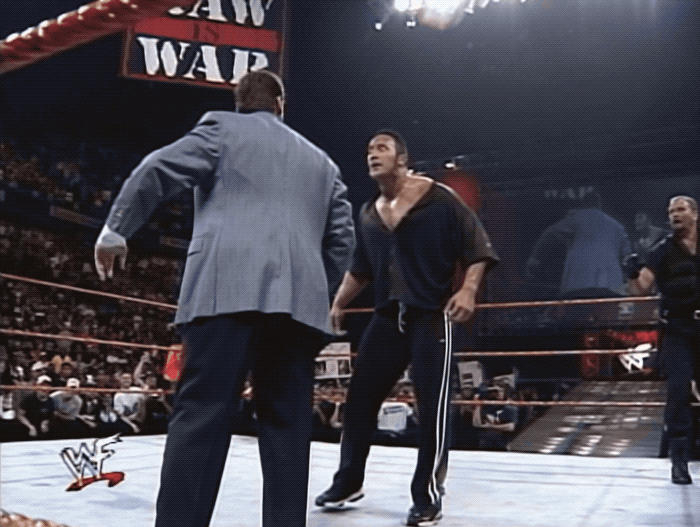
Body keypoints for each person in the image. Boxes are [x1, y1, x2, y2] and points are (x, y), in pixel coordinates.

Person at [93, 70, 355, 527]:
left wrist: (117, 228)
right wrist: (311, 288)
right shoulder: (323, 164)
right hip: (298, 309)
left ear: (240, 102)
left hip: (225, 293)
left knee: (202, 417)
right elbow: (342, 241)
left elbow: (157, 168)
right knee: (288, 428)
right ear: (280, 103)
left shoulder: (221, 129)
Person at [315, 130, 498, 526]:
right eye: (369, 149)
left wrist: (468, 290)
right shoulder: (369, 212)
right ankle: (348, 481)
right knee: (359, 401)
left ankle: (428, 495)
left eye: (381, 147)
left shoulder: (439, 198)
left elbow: (477, 247)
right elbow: (361, 268)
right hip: (387, 317)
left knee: (432, 408)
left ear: (402, 158)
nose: (372, 154)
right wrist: (339, 302)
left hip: (431, 314)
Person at [628, 195, 699, 485]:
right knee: (678, 391)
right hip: (679, 330)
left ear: (695, 214)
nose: (674, 215)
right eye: (671, 211)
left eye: (680, 209)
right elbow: (640, 289)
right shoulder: (661, 250)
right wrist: (631, 272)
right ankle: (678, 462)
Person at [526, 191, 631, 299]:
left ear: (583, 204)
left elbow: (550, 234)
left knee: (580, 309)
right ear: (599, 204)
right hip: (613, 286)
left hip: (580, 284)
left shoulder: (577, 217)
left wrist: (534, 259)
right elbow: (627, 256)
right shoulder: (617, 226)